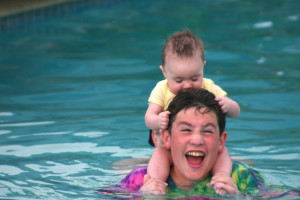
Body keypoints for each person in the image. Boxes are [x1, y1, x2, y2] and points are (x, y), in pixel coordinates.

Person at [99, 89, 265, 198]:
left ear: (221, 141)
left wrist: (240, 196)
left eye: (207, 131)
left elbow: (286, 195)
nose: (197, 140)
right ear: (167, 138)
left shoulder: (240, 177)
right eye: (186, 130)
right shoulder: (140, 180)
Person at [144, 30, 240, 194]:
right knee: (160, 154)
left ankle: (222, 177)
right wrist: (158, 121)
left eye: (195, 78)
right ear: (164, 72)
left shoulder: (209, 86)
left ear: (203, 66)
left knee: (222, 152)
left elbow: (235, 112)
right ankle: (155, 184)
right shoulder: (161, 88)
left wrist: (228, 105)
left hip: (191, 149)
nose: (187, 85)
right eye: (179, 80)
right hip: (165, 144)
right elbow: (148, 117)